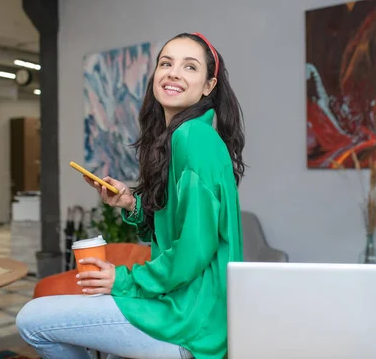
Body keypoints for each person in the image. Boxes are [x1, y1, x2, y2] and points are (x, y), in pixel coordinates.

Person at [16, 32, 245, 359]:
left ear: (209, 86)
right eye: (166, 63)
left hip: (188, 321)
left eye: (190, 67)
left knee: (31, 319)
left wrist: (124, 281)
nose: (174, 72)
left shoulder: (193, 137)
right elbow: (180, 228)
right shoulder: (183, 136)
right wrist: (131, 203)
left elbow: (196, 246)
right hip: (189, 313)